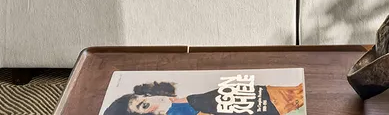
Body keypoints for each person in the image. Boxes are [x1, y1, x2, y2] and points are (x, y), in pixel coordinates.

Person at [105, 80, 304, 115]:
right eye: (144, 104)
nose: (153, 98)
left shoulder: (188, 100)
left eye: (145, 96)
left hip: (276, 99)